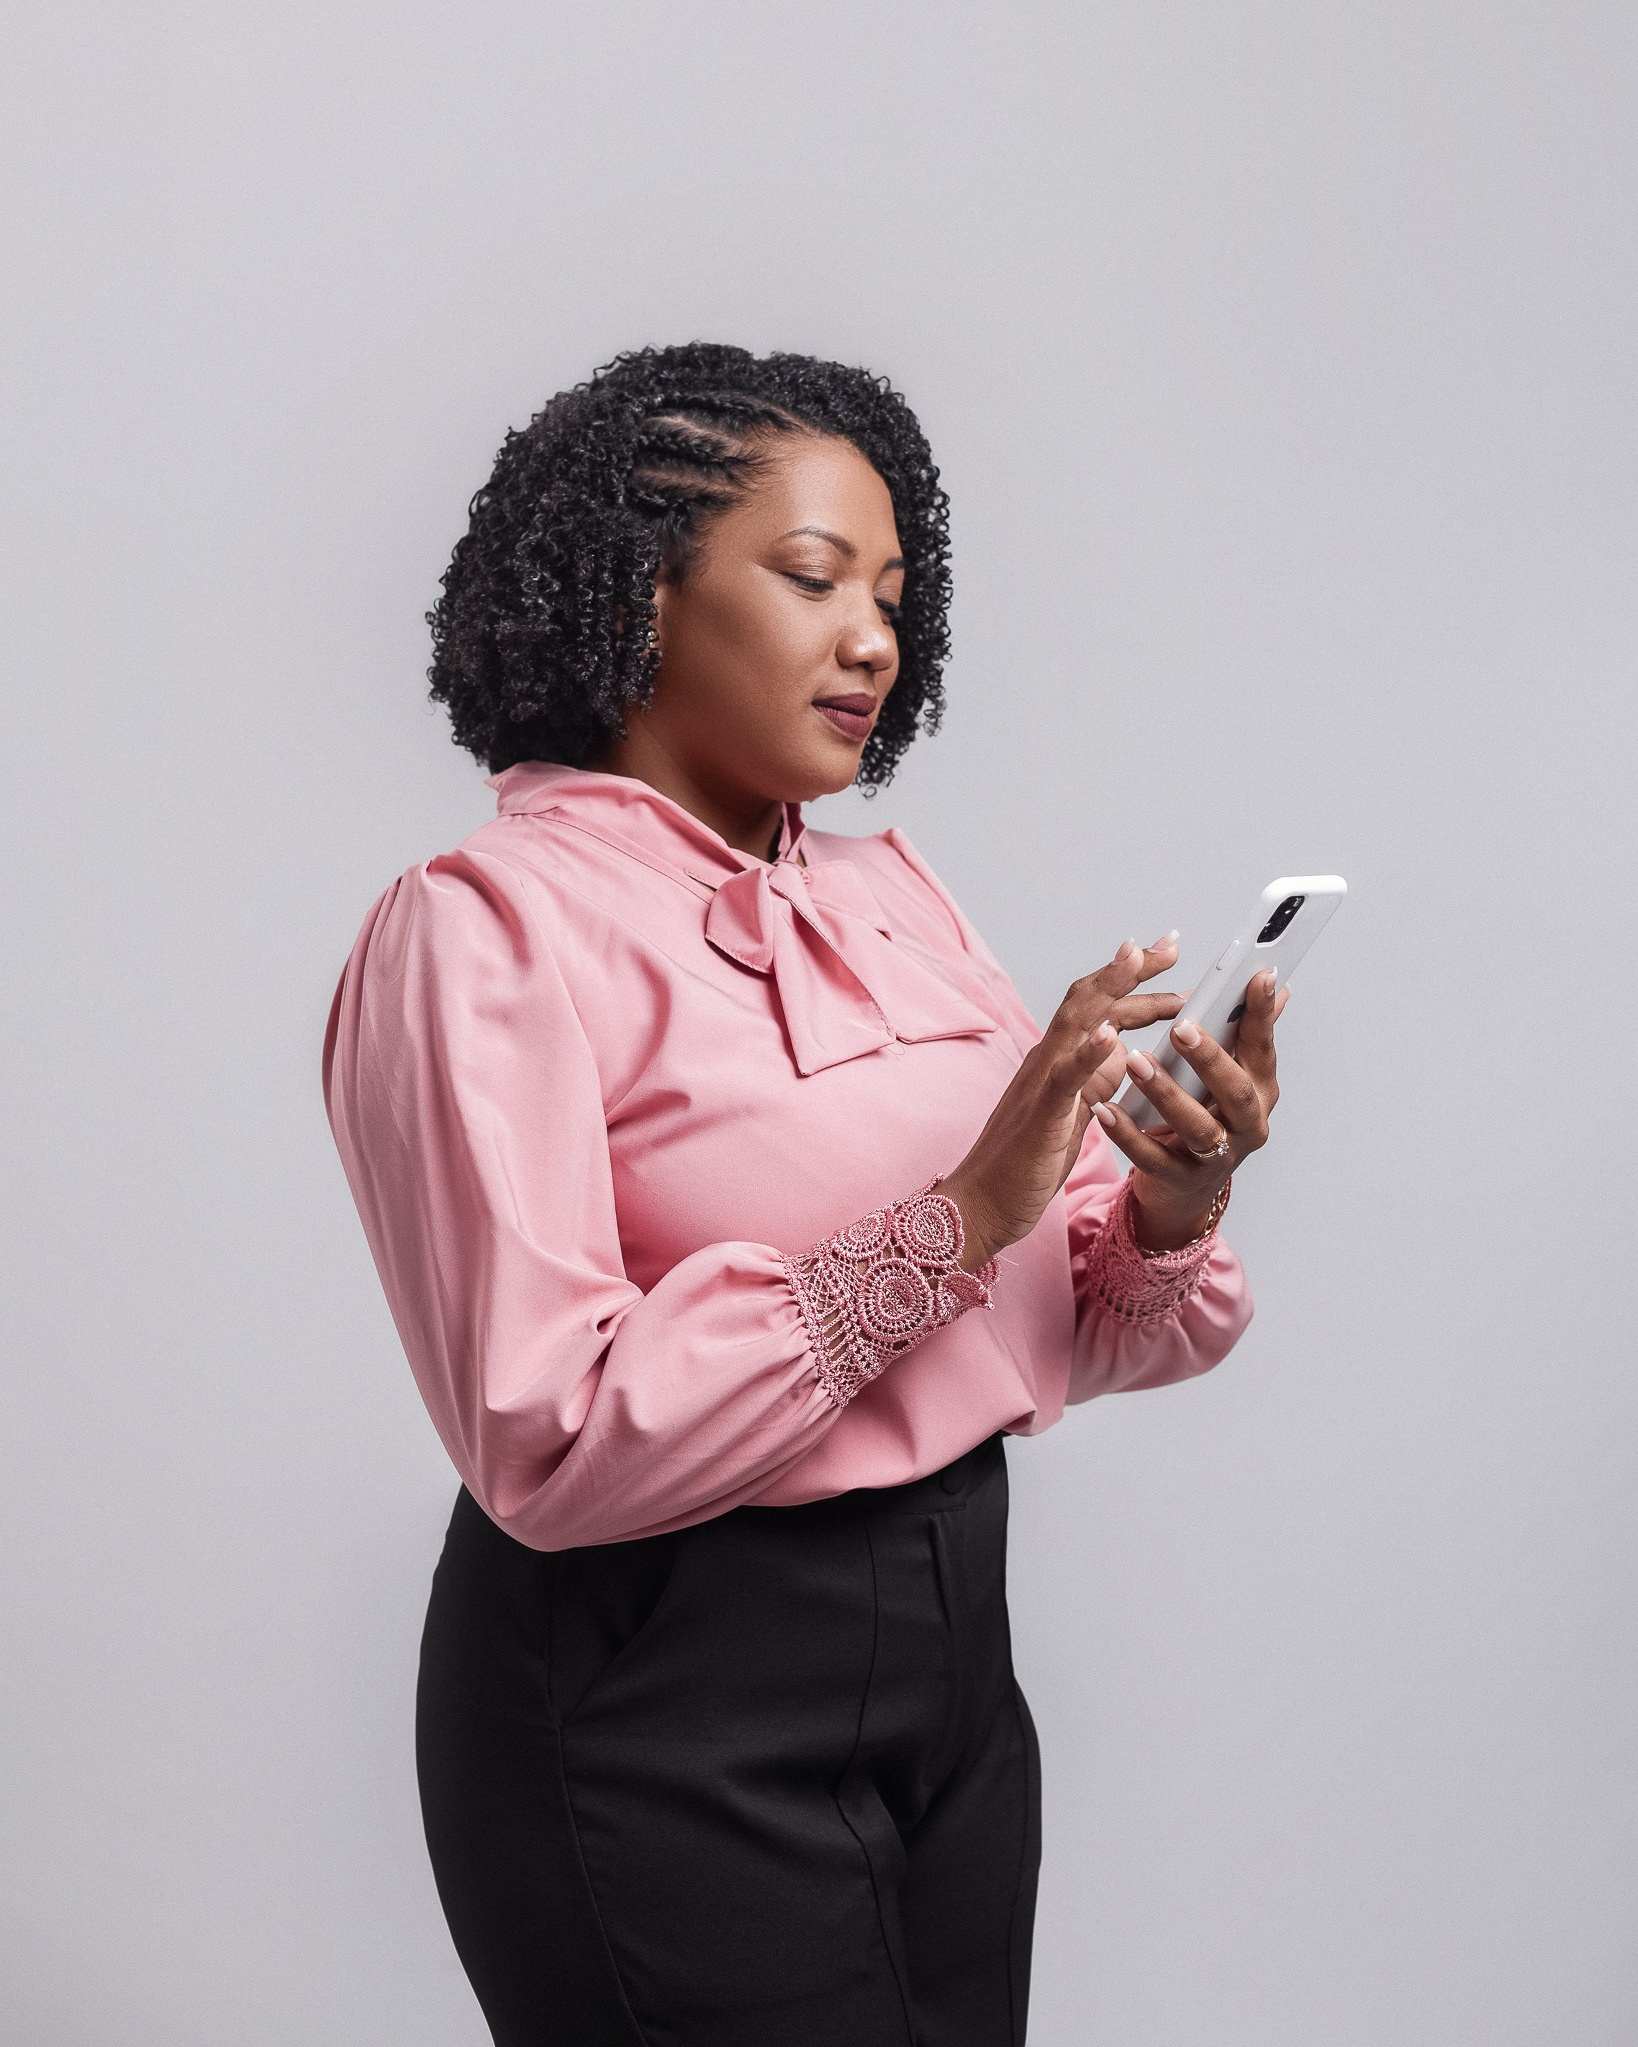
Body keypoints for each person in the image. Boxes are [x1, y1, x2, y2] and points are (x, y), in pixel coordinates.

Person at [323, 343, 1288, 2047]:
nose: (872, 641)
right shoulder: (482, 931)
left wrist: (1167, 1201)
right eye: (812, 576)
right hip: (656, 1691)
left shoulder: (889, 900)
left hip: (954, 1664)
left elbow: (1070, 1330)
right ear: (638, 593)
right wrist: (957, 1218)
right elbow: (543, 1438)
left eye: (893, 597)